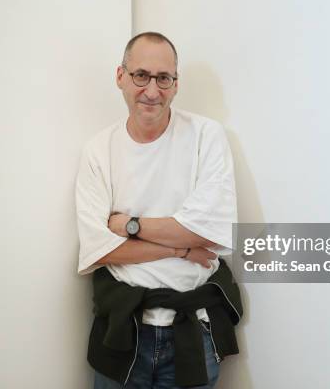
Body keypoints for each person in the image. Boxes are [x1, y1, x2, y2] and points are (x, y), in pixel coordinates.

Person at [76, 31, 243, 389]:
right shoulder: (98, 151)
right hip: (121, 331)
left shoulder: (206, 136)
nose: (152, 90)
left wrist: (129, 225)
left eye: (163, 78)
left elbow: (211, 231)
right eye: (141, 75)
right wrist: (180, 247)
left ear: (176, 83)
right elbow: (101, 249)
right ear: (120, 76)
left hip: (192, 331)